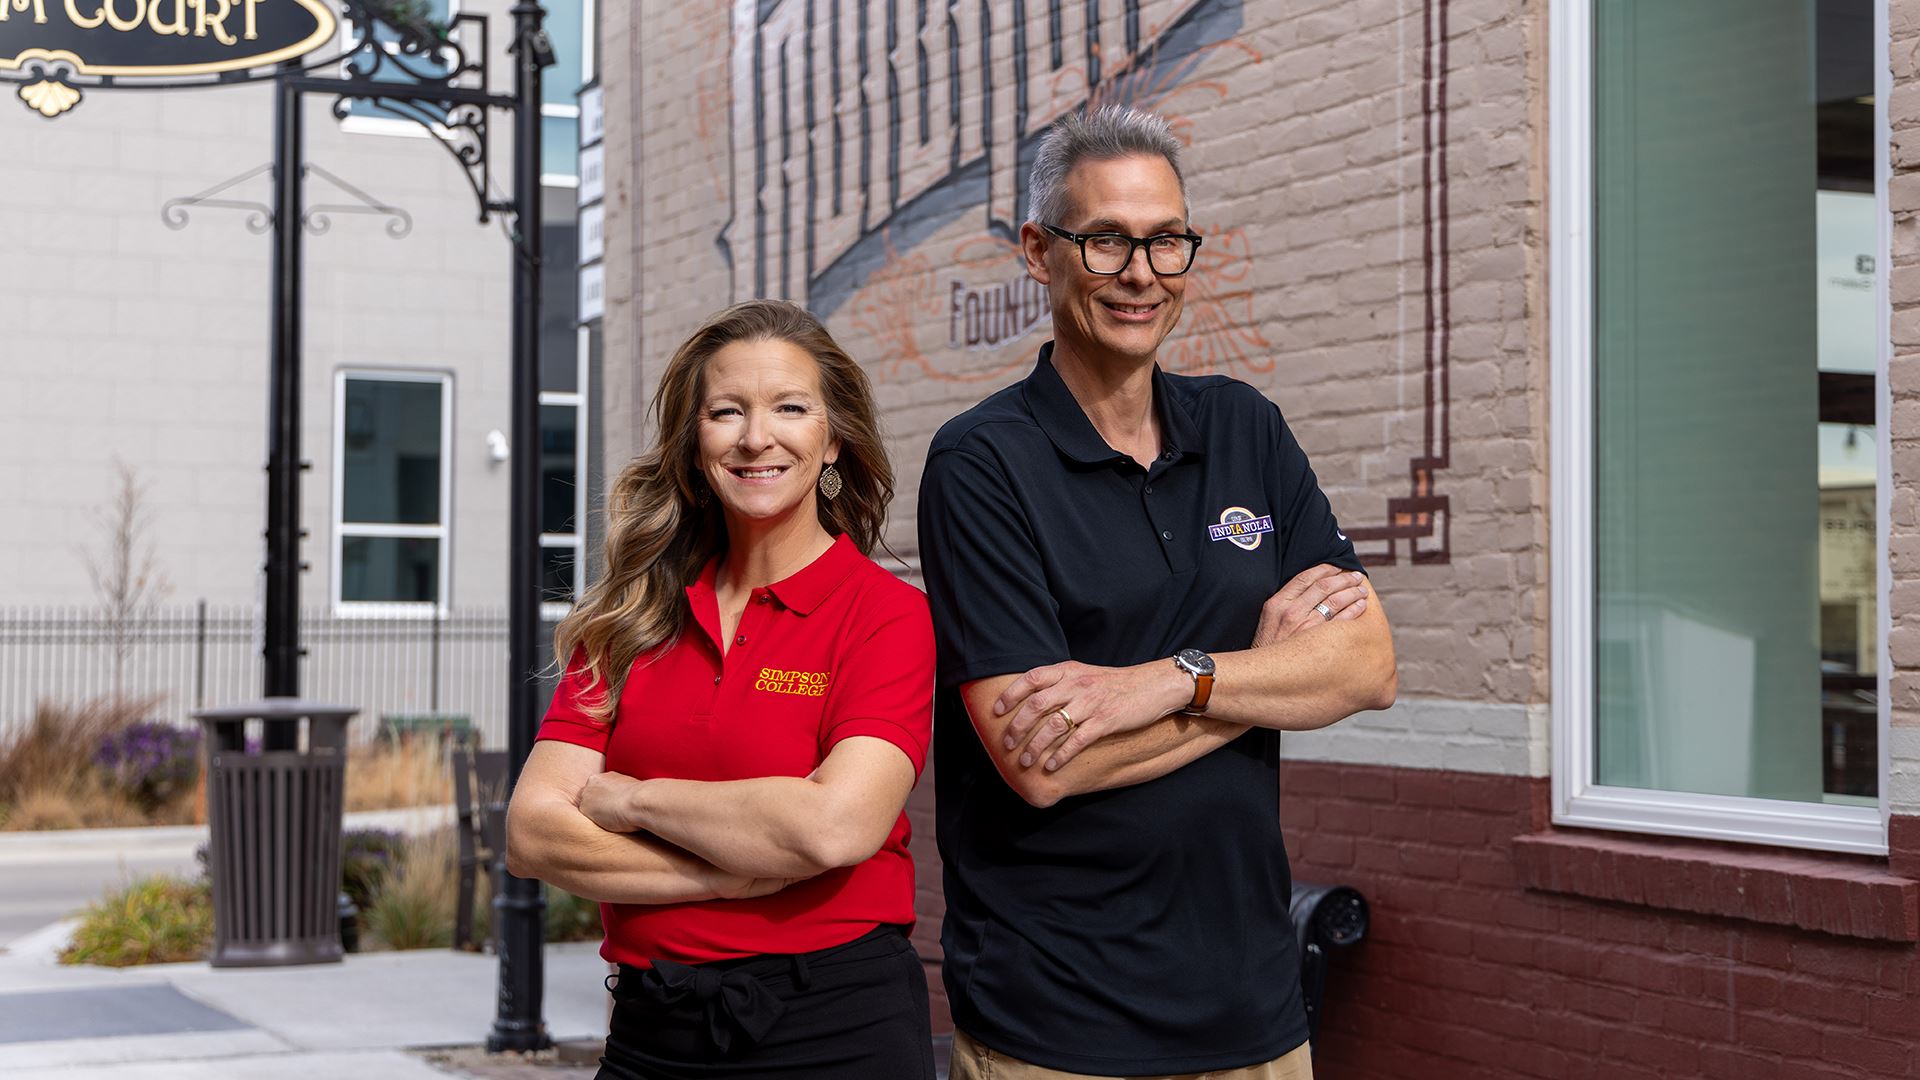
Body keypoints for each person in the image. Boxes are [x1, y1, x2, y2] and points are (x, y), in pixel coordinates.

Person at [918, 105, 1398, 1080]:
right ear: (1038, 252)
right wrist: (1265, 678)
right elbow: (1040, 760)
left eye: (1167, 239)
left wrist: (1170, 681)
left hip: (1256, 1017)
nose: (1143, 272)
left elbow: (1369, 665)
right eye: (1106, 240)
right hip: (1055, 1026)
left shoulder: (1244, 430)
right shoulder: (983, 464)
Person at [506, 299, 937, 1079]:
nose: (755, 438)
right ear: (694, 442)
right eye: (726, 411)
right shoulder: (629, 614)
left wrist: (631, 801)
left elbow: (830, 829)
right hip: (650, 1031)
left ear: (833, 436)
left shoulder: (886, 614)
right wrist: (731, 873)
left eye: (791, 408)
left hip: (834, 1030)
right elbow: (533, 834)